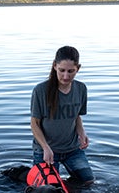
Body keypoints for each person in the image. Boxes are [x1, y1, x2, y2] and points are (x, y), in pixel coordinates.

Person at [30, 46, 94, 184]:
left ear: (78, 68)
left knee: (88, 181)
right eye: (62, 70)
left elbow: (77, 116)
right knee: (51, 190)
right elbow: (34, 123)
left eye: (71, 71)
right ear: (54, 66)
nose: (66, 76)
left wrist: (82, 133)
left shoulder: (81, 89)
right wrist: (46, 148)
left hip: (72, 149)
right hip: (46, 151)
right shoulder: (40, 91)